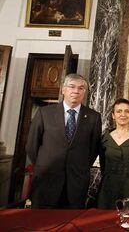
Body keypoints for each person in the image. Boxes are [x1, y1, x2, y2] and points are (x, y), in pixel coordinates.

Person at [26, 73, 102, 209]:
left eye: (81, 88)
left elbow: (94, 149)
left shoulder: (93, 117)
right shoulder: (45, 113)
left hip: (76, 183)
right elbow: (32, 145)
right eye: (72, 87)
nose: (76, 91)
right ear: (63, 89)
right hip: (46, 180)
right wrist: (44, 164)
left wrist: (79, 165)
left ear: (84, 92)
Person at [97, 98, 129, 209]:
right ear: (113, 115)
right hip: (108, 186)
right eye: (119, 111)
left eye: (127, 111)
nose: (123, 114)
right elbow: (103, 163)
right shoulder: (105, 138)